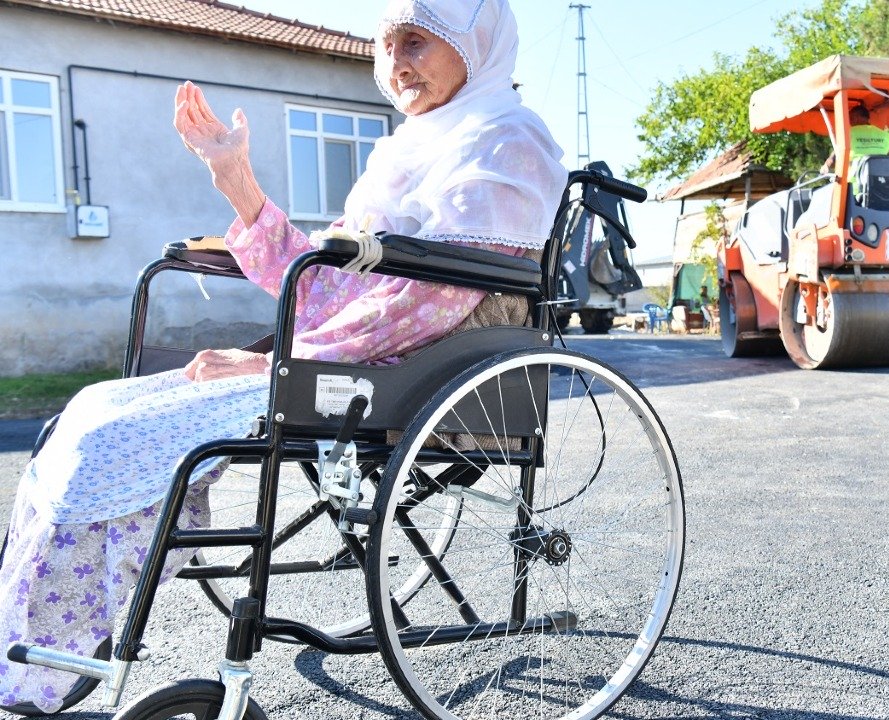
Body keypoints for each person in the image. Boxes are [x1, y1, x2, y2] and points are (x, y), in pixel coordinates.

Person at [0, 0, 566, 711]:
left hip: (412, 365)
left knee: (125, 437)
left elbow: (434, 300)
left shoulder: (508, 141)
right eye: (388, 43)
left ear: (476, 47)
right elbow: (327, 285)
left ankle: (64, 645)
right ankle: (50, 640)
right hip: (359, 354)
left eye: (418, 40)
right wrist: (235, 178)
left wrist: (277, 365)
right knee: (94, 408)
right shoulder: (406, 150)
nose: (397, 61)